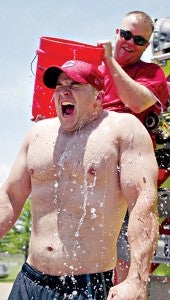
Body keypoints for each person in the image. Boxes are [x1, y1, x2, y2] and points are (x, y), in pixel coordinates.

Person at [0, 60, 159, 300]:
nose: (64, 90)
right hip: (29, 280)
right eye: (60, 85)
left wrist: (137, 279)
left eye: (74, 84)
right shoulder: (38, 133)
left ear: (98, 96)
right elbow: (10, 198)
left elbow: (143, 205)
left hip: (85, 285)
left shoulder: (123, 129)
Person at [97, 10, 169, 283]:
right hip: (91, 166)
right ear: (117, 32)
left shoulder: (152, 72)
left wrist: (108, 62)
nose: (130, 42)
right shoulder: (92, 67)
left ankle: (129, 287)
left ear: (147, 46)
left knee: (127, 248)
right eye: (126, 34)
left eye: (139, 40)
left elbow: (138, 103)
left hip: (129, 167)